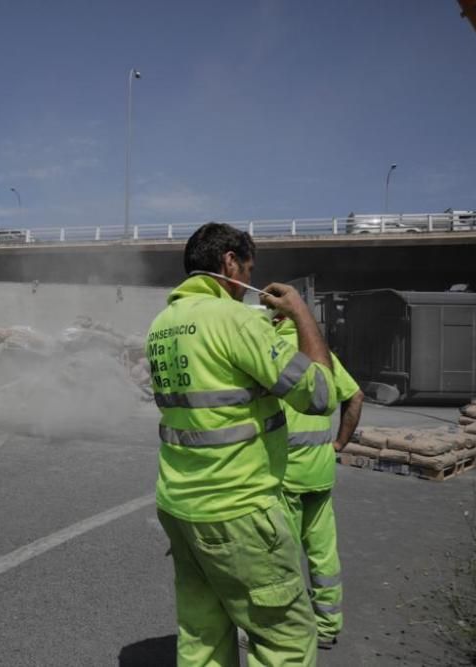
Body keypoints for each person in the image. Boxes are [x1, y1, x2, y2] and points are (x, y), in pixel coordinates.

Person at [148, 222, 337, 666]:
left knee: (202, 637)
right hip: (240, 510)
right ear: (229, 262)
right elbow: (321, 394)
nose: (247, 284)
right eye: (248, 270)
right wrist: (301, 314)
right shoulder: (233, 321)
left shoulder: (162, 324)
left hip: (180, 507)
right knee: (284, 639)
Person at [275, 316, 364, 650]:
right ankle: (327, 626)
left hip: (284, 473)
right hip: (320, 470)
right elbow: (356, 397)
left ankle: (288, 628)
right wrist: (339, 443)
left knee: (282, 555)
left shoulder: (270, 352)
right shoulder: (320, 354)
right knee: (323, 550)